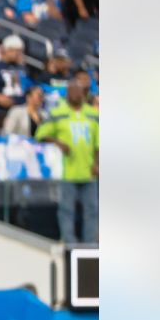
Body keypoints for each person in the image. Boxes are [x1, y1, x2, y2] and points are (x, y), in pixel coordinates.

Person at [36, 81, 98, 243]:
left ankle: (90, 242)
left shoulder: (93, 114)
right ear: (67, 94)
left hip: (89, 170)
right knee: (66, 209)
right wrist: (57, 142)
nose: (77, 95)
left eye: (80, 92)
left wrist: (97, 163)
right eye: (73, 92)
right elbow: (41, 134)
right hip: (66, 170)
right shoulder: (57, 113)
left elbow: (99, 142)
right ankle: (69, 242)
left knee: (92, 210)